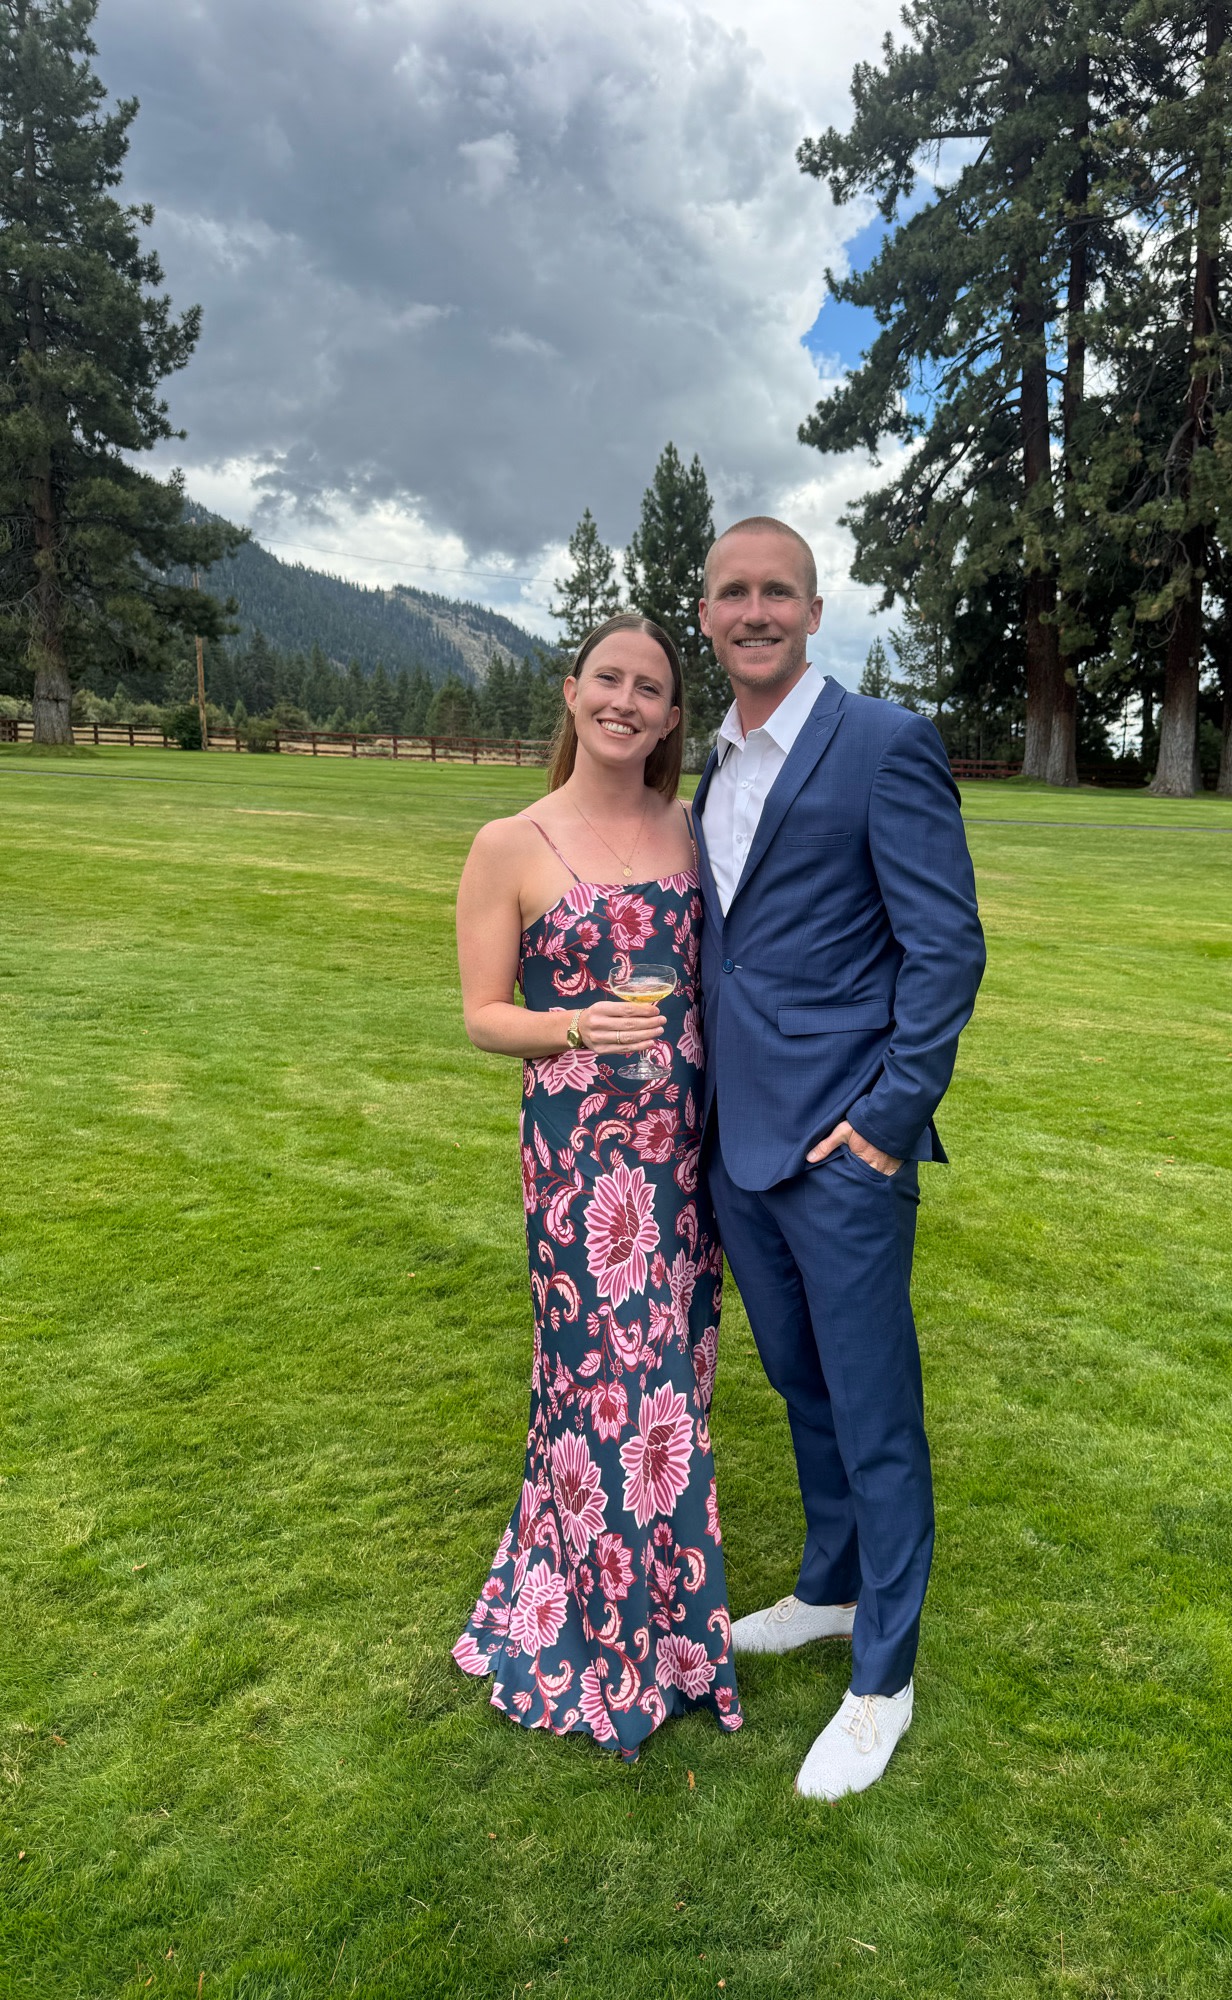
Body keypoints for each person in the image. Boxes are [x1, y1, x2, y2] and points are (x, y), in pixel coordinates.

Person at [693, 518, 985, 1800]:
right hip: (738, 1143)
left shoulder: (884, 743)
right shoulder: (712, 764)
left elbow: (946, 947)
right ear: (708, 613)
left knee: (874, 1408)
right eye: (732, 591)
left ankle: (884, 1675)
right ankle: (828, 1584)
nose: (754, 610)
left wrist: (887, 1120)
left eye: (778, 591)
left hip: (844, 1148)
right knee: (802, 1382)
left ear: (814, 612)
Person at [451, 612, 741, 1758]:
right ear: (571, 693)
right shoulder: (508, 842)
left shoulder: (692, 828)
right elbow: (484, 1014)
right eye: (608, 678)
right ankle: (613, 1638)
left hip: (685, 1157)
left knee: (674, 1384)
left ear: (671, 718)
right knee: (603, 1387)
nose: (626, 700)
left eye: (650, 688)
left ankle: (668, 1614)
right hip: (581, 1168)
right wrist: (573, 1022)